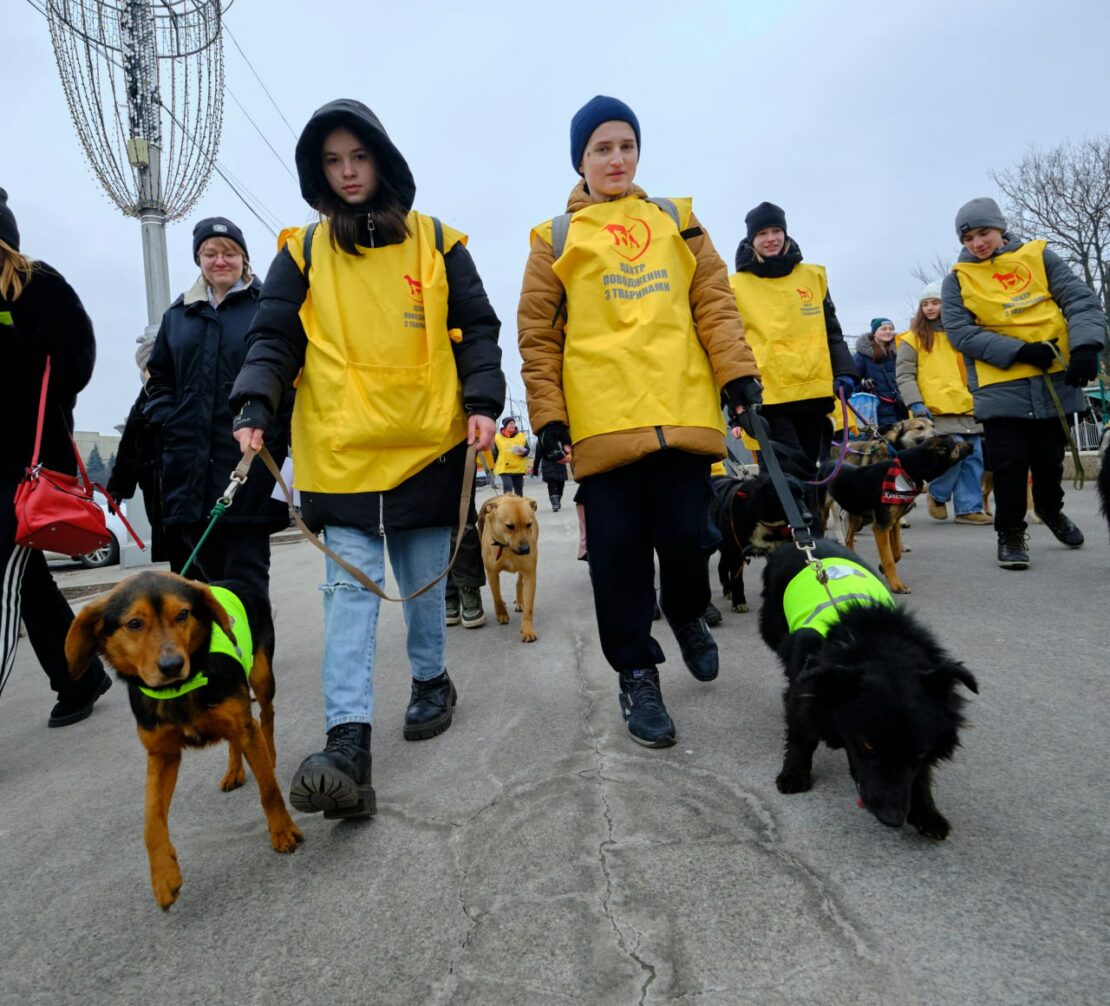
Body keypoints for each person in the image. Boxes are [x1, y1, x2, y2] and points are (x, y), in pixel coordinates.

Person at [229, 99, 505, 818]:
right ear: (317, 173)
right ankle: (347, 742)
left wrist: (482, 399)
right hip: (340, 451)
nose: (348, 173)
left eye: (358, 157)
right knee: (348, 597)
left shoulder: (439, 242)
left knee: (418, 586)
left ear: (381, 159)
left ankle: (431, 681)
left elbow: (476, 326)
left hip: (425, 445)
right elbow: (273, 335)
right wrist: (255, 403)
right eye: (332, 162)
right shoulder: (303, 250)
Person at [518, 95, 761, 748]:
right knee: (618, 558)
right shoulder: (554, 238)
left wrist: (737, 372)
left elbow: (713, 298)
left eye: (626, 145)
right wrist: (549, 417)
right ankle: (636, 673)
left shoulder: (676, 219)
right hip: (603, 423)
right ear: (581, 160)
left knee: (688, 537)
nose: (617, 158)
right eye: (602, 148)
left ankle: (686, 614)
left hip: (678, 408)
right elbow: (537, 334)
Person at [941, 197, 1107, 569]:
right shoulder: (957, 280)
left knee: (1049, 462)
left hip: (1053, 377)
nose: (977, 243)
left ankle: (1050, 510)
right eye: (968, 238)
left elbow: (1080, 301)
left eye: (983, 233)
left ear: (1000, 229)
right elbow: (960, 333)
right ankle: (1011, 534)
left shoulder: (1040, 257)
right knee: (1009, 464)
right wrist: (1018, 351)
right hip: (1000, 383)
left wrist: (1085, 346)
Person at [0, 187, 112, 726]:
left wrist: (27, 366)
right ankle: (80, 675)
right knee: (28, 584)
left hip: (25, 463)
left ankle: (80, 676)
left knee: (4, 578)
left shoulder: (37, 283)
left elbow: (77, 358)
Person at [144, 217, 291, 600]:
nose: (220, 261)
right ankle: (214, 659)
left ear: (244, 258)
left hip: (248, 459)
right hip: (189, 467)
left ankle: (254, 657)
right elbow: (158, 377)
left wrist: (278, 430)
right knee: (199, 585)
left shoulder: (266, 307)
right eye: (210, 253)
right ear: (199, 260)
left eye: (229, 253)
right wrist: (167, 417)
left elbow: (288, 374)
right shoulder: (178, 316)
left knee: (246, 575)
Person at [730, 202, 857, 478]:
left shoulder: (813, 277)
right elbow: (730, 342)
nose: (771, 238)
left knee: (812, 470)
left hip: (813, 390)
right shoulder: (734, 285)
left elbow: (831, 330)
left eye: (777, 231)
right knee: (784, 472)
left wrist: (845, 370)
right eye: (762, 233)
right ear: (751, 239)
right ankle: (788, 522)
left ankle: (812, 523)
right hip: (767, 395)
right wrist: (733, 393)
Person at [896, 281, 991, 525]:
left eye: (935, 302)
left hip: (968, 405)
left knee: (973, 458)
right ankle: (937, 495)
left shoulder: (964, 334)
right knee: (951, 458)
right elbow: (905, 375)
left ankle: (968, 508)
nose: (929, 308)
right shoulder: (912, 339)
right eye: (925, 304)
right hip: (934, 409)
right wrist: (916, 403)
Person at [105, 335, 174, 563]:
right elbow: (129, 448)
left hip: (184, 480)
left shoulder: (183, 391)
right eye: (145, 368)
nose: (148, 373)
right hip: (155, 486)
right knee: (176, 552)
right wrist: (117, 489)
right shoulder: (143, 400)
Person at [853, 318, 906, 431]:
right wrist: (863, 384)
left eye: (891, 329)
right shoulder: (862, 356)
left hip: (900, 405)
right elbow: (853, 379)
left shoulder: (900, 352)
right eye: (883, 329)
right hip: (875, 407)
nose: (888, 331)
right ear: (874, 332)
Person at [493, 416, 529, 495]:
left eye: (513, 423)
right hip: (504, 468)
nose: (513, 425)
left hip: (518, 468)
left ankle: (519, 506)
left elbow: (527, 449)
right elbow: (494, 453)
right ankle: (507, 505)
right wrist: (491, 467)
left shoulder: (521, 436)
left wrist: (523, 453)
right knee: (508, 487)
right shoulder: (497, 437)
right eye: (510, 424)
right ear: (505, 426)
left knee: (519, 489)